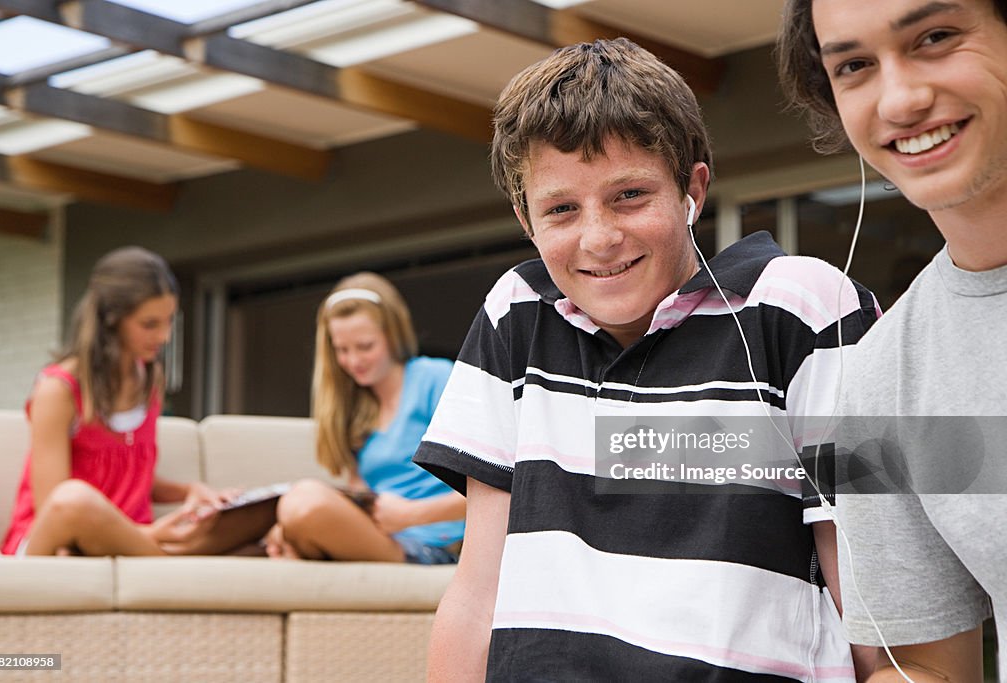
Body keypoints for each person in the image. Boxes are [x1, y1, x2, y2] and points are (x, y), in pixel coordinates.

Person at [413, 37, 879, 681]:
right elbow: (476, 591)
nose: (599, 238)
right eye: (561, 209)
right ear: (525, 217)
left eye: (630, 194)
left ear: (693, 188)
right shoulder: (516, 314)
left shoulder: (798, 307)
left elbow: (872, 597)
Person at [777, 0, 1007, 680]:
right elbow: (925, 669)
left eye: (935, 37)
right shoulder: (877, 376)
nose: (901, 99)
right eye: (853, 66)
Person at [1, 246, 272, 557]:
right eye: (149, 324)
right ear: (111, 321)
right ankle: (175, 562)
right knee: (74, 500)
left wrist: (192, 492)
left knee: (255, 522)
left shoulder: (149, 380)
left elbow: (131, 473)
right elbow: (55, 504)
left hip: (134, 542)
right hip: (56, 539)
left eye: (169, 321)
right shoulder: (58, 389)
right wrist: (148, 533)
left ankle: (178, 556)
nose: (165, 336)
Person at [265, 272, 465, 564]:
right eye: (342, 350)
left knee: (304, 500)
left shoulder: (434, 379)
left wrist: (409, 516)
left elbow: (496, 486)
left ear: (392, 335)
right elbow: (360, 489)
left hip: (437, 545)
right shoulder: (358, 407)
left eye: (365, 346)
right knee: (286, 522)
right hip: (382, 536)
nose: (354, 361)